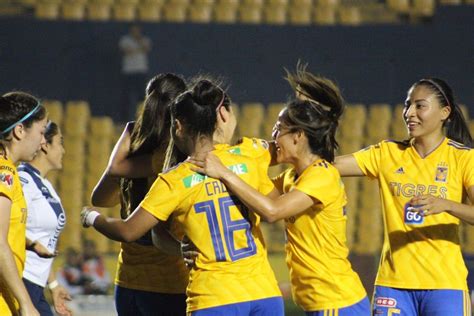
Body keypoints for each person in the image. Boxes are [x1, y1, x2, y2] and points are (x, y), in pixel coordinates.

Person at [82, 79, 284, 315]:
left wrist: (90, 217)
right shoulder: (248, 154)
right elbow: (288, 156)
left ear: (178, 125)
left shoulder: (172, 178)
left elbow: (126, 227)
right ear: (220, 118)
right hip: (264, 292)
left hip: (211, 296)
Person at [189, 73, 370, 315]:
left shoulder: (322, 176)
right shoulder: (292, 177)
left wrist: (224, 172)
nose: (273, 137)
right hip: (324, 302)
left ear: (298, 136)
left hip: (337, 302)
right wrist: (236, 152)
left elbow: (272, 212)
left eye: (279, 129)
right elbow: (256, 194)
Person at [333, 78, 473, 315]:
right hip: (393, 285)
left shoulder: (463, 158)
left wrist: (447, 205)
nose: (409, 113)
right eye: (407, 105)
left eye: (420, 106)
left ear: (444, 112)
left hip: (445, 285)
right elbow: (330, 166)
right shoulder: (387, 153)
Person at [90, 73, 188, 315]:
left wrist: (130, 133)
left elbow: (100, 198)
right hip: (170, 282)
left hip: (127, 283)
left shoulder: (133, 148)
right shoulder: (178, 155)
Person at [0, 91, 48, 316]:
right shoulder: (4, 172)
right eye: (40, 131)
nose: (43, 141)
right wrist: (25, 302)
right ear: (19, 130)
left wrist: (28, 243)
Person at [18, 121, 72, 316]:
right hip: (20, 280)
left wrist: (54, 285)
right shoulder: (22, 180)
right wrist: (31, 245)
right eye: (60, 143)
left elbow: (45, 242)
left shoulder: (46, 186)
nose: (64, 151)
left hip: (36, 285)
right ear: (45, 145)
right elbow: (6, 229)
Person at [119, 24, 152, 122]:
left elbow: (146, 48)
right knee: (127, 97)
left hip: (141, 72)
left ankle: (142, 119)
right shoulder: (125, 40)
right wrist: (139, 49)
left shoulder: (144, 39)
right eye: (134, 30)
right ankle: (124, 120)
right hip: (128, 72)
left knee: (142, 97)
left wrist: (137, 46)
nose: (135, 32)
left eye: (137, 30)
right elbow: (127, 51)